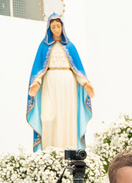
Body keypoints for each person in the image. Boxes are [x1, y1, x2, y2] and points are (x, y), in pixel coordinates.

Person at [26, 13, 94, 151]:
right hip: (50, 82)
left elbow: (77, 69)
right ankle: (50, 152)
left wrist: (85, 83)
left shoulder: (70, 47)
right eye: (53, 27)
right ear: (49, 29)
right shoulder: (43, 46)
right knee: (48, 116)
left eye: (58, 26)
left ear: (62, 27)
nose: (56, 29)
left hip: (68, 83)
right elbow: (39, 69)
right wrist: (37, 82)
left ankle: (68, 150)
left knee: (67, 117)